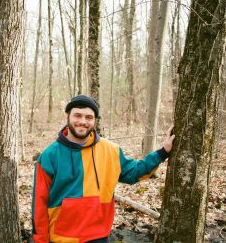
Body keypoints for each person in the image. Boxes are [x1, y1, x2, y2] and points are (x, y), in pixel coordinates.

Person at [31, 95, 175, 243]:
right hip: (62, 238)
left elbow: (133, 173)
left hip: (98, 235)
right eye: (77, 115)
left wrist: (162, 152)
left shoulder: (111, 150)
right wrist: (40, 240)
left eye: (89, 117)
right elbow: (39, 205)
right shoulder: (49, 155)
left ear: (94, 121)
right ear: (67, 116)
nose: (83, 121)